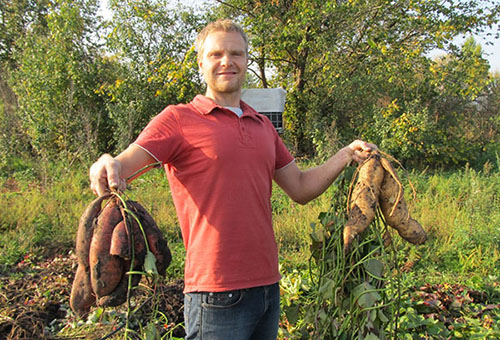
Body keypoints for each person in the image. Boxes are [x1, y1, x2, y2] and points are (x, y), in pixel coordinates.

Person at [89, 19, 376, 340]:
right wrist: (107, 161)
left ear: (247, 61)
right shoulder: (179, 119)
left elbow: (300, 187)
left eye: (236, 54)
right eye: (216, 54)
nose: (227, 61)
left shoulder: (263, 126)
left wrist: (346, 154)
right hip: (215, 292)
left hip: (267, 286)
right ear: (201, 61)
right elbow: (124, 163)